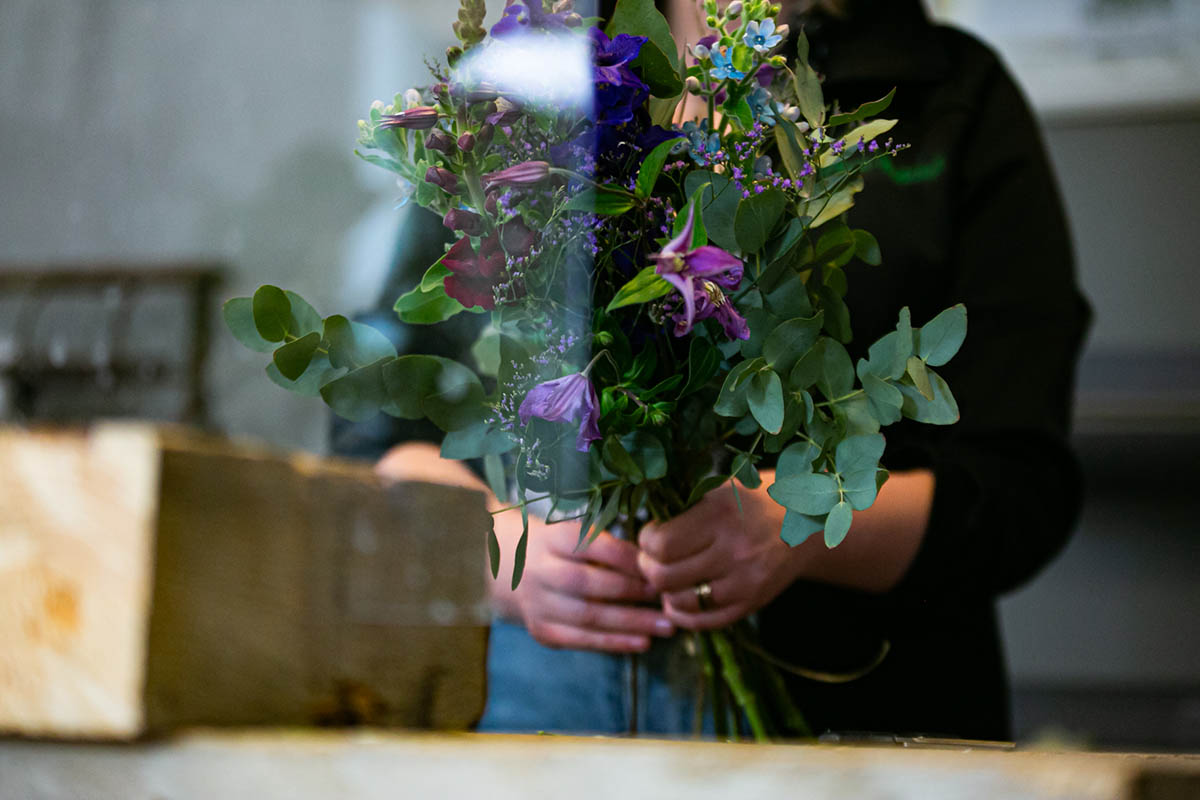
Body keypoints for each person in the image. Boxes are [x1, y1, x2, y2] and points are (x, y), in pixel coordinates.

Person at [334, 0, 1090, 740]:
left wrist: (797, 525)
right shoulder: (525, 84)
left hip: (853, 731)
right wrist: (501, 556)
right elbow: (374, 436)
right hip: (530, 720)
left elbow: (1018, 488)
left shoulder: (946, 95)